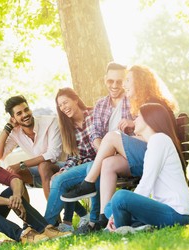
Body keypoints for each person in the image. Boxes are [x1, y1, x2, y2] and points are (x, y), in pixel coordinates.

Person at [61, 65, 178, 229]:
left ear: (139, 83)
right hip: (144, 156)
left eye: (127, 80)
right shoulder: (139, 104)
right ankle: (103, 217)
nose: (123, 85)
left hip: (155, 158)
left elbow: (159, 140)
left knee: (111, 136)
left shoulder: (152, 105)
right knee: (108, 163)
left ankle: (88, 183)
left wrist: (129, 129)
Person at [104, 103, 189, 232]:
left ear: (149, 119)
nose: (134, 120)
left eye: (138, 116)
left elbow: (146, 183)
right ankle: (133, 227)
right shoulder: (156, 141)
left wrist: (115, 213)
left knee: (120, 197)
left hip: (177, 214)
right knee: (110, 206)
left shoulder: (159, 140)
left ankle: (122, 228)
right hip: (166, 211)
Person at [0, 95, 63, 200]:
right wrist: (8, 127)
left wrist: (21, 165)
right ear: (13, 118)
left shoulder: (50, 122)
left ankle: (51, 216)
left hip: (63, 168)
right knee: (13, 174)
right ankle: (29, 215)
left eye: (26, 110)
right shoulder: (16, 133)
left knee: (43, 166)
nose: (25, 114)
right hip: (41, 175)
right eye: (19, 113)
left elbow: (53, 154)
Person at [44, 88, 95, 232]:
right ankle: (59, 225)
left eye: (65, 102)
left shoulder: (94, 115)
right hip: (85, 166)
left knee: (61, 181)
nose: (64, 108)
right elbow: (74, 156)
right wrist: (64, 170)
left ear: (76, 100)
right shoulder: (68, 127)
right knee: (59, 179)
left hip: (100, 164)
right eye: (60, 105)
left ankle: (44, 226)